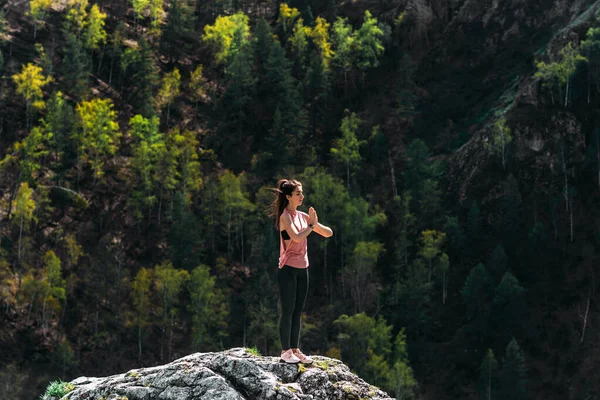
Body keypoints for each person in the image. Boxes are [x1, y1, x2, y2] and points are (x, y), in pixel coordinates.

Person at [270, 179, 333, 364]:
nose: (302, 197)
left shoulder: (303, 216)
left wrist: (315, 223)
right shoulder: (285, 217)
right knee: (287, 310)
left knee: (298, 311)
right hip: (288, 269)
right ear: (288, 197)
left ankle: (295, 349)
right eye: (298, 194)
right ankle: (285, 351)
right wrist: (311, 227)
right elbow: (296, 238)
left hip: (302, 269)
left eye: (301, 193)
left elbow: (328, 233)